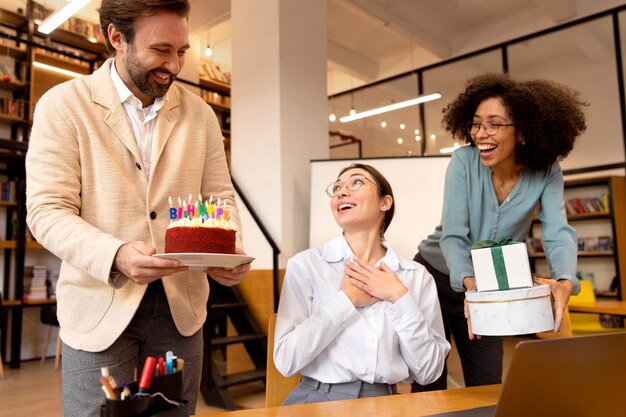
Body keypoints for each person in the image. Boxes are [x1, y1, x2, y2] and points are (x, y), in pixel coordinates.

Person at [25, 1, 251, 416]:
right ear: (116, 37)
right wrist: (116, 255)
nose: (174, 65)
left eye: (182, 51)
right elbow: (46, 211)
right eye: (160, 50)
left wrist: (228, 249)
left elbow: (219, 198)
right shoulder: (62, 105)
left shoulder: (201, 115)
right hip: (98, 305)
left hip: (181, 308)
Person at [412, 73, 587, 392]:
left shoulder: (546, 171)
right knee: (429, 383)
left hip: (490, 285)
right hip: (436, 277)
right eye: (476, 124)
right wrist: (470, 284)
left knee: (488, 385)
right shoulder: (464, 161)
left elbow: (557, 232)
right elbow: (454, 236)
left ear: (522, 131)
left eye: (494, 124)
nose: (481, 133)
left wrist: (564, 281)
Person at [274, 163, 450, 405]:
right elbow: (285, 360)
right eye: (337, 187)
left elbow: (429, 372)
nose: (341, 192)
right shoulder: (306, 266)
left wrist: (399, 297)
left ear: (385, 203)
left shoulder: (416, 276)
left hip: (388, 404)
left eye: (356, 182)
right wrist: (346, 301)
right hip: (315, 401)